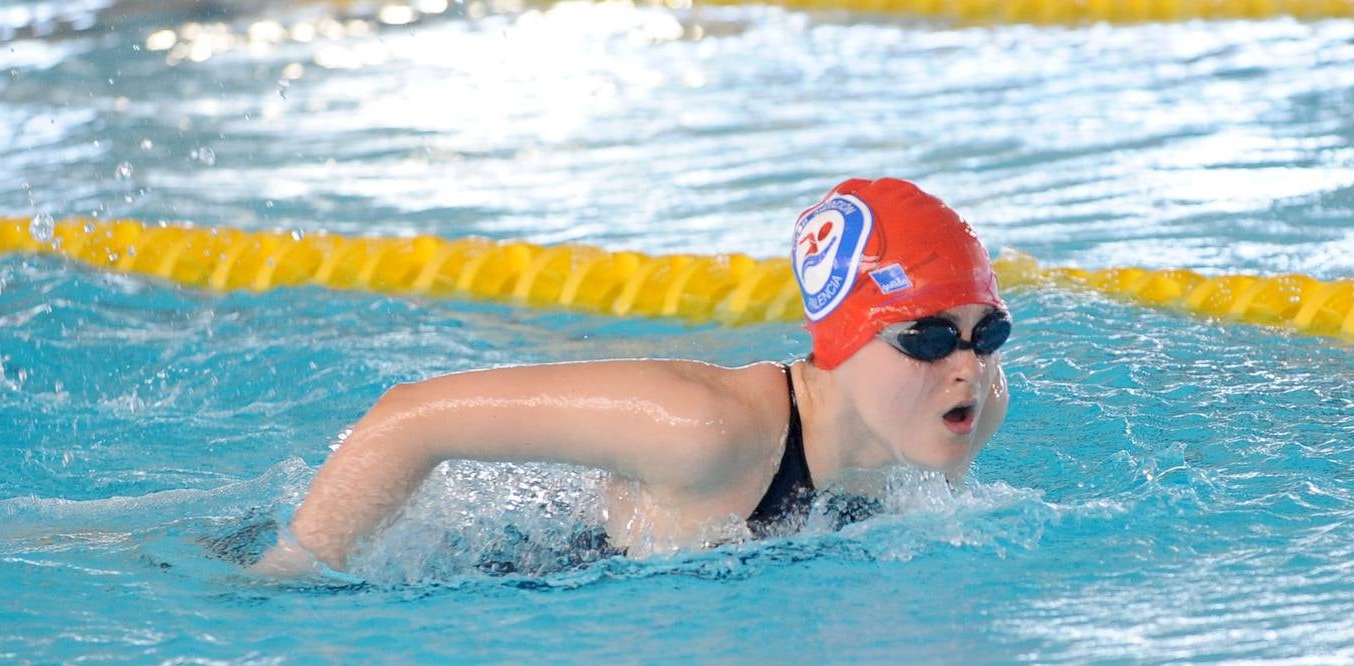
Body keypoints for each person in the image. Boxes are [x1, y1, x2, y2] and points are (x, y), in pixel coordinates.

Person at [253, 177, 1011, 576]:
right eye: (928, 337)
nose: (967, 369)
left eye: (988, 335)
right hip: (496, 569)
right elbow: (408, 417)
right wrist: (287, 577)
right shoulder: (703, 429)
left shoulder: (962, 412)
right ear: (843, 341)